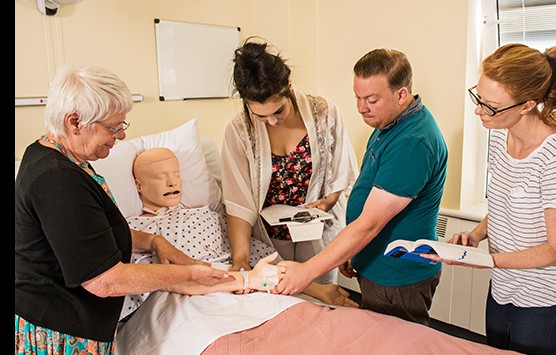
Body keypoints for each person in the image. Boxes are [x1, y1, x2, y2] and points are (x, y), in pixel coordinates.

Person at [15, 65, 235, 354]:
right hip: (59, 328)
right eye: (113, 127)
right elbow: (105, 281)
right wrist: (190, 274)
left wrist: (154, 241)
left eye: (122, 126)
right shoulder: (56, 180)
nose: (120, 136)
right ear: (75, 121)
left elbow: (90, 233)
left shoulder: (56, 156)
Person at [423, 43, 556, 355]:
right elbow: (504, 204)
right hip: (506, 282)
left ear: (527, 105)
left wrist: (487, 261)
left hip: (546, 294)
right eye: (479, 97)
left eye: (490, 106)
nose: (479, 111)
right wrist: (476, 235)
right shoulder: (503, 134)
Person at [276, 48, 449, 326]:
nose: (360, 107)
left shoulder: (412, 142)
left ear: (401, 94)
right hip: (376, 266)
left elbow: (369, 224)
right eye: (357, 96)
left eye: (371, 99)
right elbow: (371, 197)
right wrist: (355, 252)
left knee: (396, 345)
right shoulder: (389, 123)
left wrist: (306, 272)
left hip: (397, 277)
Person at [120, 147, 357, 320]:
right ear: (139, 186)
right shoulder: (135, 230)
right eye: (162, 177)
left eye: (176, 175)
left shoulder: (207, 214)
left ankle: (320, 293)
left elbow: (254, 253)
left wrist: (306, 284)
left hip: (246, 285)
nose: (172, 182)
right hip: (187, 296)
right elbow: (144, 277)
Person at [221, 37, 359, 286]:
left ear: (288, 85)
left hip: (317, 236)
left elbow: (343, 172)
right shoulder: (240, 132)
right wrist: (240, 259)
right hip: (269, 241)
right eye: (261, 116)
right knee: (283, 306)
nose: (272, 121)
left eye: (278, 111)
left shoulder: (324, 113)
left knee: (323, 303)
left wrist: (328, 202)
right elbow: (238, 202)